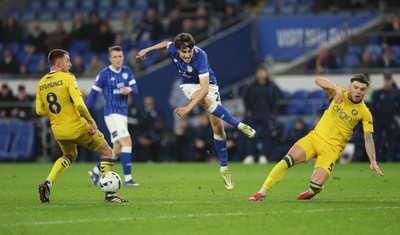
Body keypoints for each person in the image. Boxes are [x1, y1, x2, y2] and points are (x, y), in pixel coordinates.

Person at [136, 32, 256, 190]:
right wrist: (148, 50)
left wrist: (188, 107)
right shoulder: (173, 48)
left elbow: (205, 89)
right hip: (189, 85)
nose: (186, 54)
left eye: (189, 51)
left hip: (209, 85)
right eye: (183, 52)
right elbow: (166, 43)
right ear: (178, 50)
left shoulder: (201, 57)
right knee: (204, 100)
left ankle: (224, 169)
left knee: (218, 128)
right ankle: (240, 125)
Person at [249, 74, 384, 201]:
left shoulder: (364, 113)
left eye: (362, 89)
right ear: (350, 86)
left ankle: (312, 191)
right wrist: (334, 88)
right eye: (355, 87)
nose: (358, 91)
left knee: (315, 185)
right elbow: (318, 79)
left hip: (332, 149)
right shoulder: (338, 93)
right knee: (287, 160)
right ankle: (261, 192)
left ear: (366, 91)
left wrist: (372, 160)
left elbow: (368, 138)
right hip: (314, 138)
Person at [36, 49, 127, 203]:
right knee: (106, 152)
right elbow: (79, 104)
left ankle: (47, 183)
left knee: (69, 156)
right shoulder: (67, 77)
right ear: (59, 63)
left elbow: (39, 110)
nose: (70, 64)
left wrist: (59, 115)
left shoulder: (42, 83)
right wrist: (91, 121)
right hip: (78, 127)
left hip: (59, 131)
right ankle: (110, 195)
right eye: (67, 61)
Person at [86, 45, 139, 187]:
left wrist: (129, 89)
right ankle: (128, 179)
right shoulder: (104, 74)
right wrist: (84, 114)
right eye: (115, 57)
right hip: (111, 114)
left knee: (116, 150)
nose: (118, 59)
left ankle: (95, 171)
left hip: (123, 114)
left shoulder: (127, 71)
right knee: (127, 142)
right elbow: (92, 95)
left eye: (120, 56)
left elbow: (136, 89)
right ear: (110, 59)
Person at [371, 72, 400, 162]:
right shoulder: (378, 93)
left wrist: (397, 117)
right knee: (377, 140)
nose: (387, 82)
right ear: (384, 81)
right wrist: (374, 117)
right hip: (379, 119)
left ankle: (389, 159)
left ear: (391, 81)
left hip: (390, 119)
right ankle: (376, 159)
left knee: (390, 140)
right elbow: (373, 106)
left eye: (389, 80)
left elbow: (398, 106)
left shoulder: (396, 93)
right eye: (386, 80)